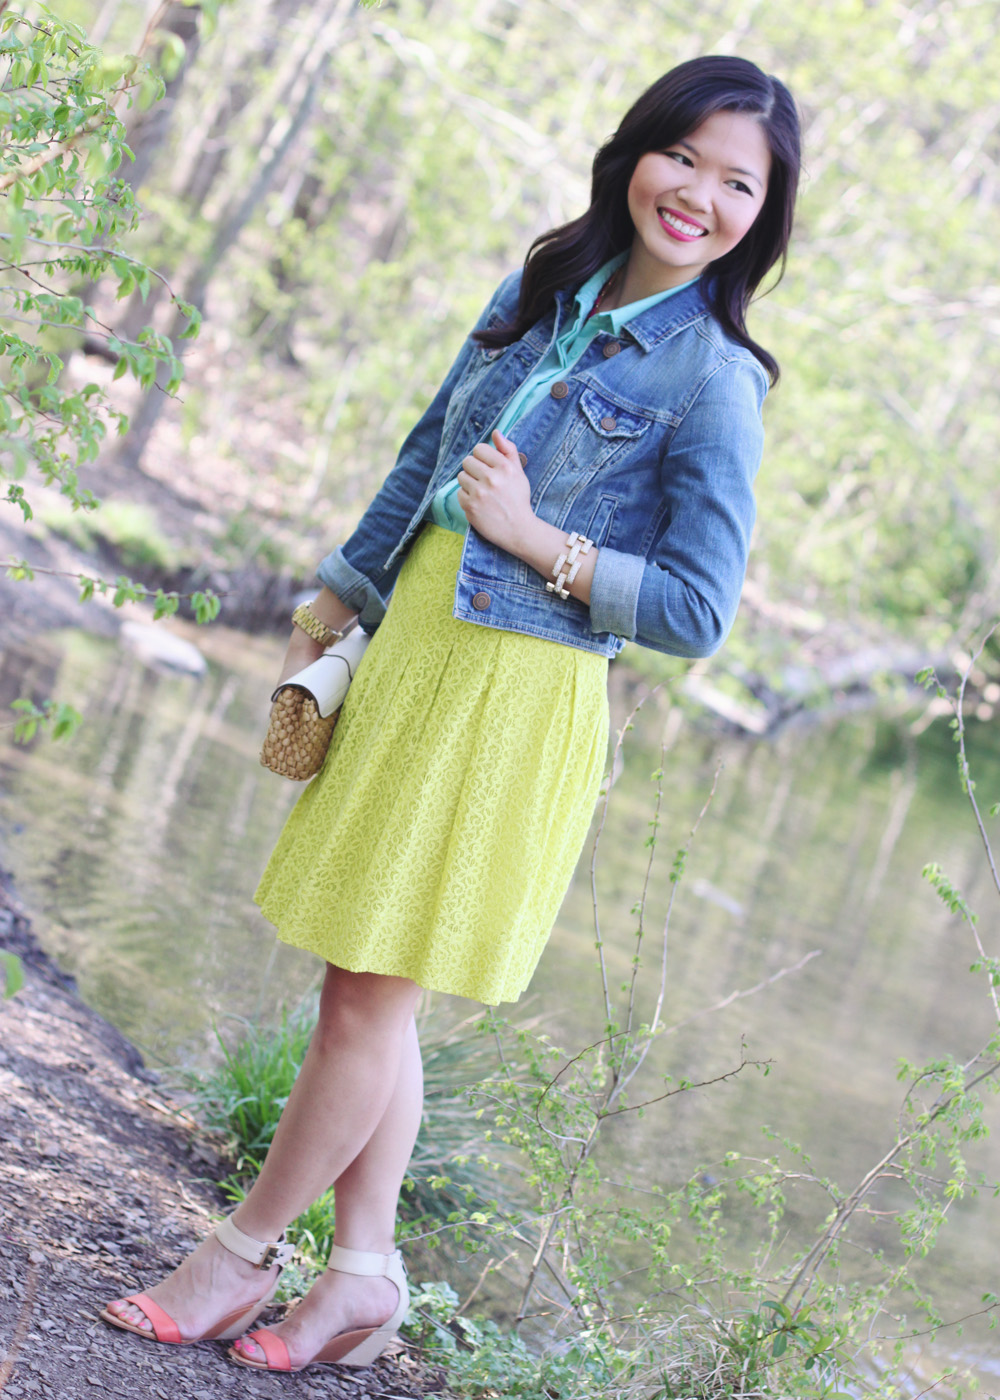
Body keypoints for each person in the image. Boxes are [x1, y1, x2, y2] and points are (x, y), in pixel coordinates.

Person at [100, 53, 800, 1375]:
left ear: (763, 213)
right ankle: (362, 1277)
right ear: (634, 151)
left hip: (512, 699)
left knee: (368, 993)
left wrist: (542, 540)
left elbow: (702, 613)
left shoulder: (716, 380)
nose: (697, 194)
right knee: (367, 986)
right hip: (419, 655)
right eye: (683, 158)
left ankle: (238, 1259)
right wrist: (336, 602)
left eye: (735, 182)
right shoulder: (544, 287)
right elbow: (426, 454)